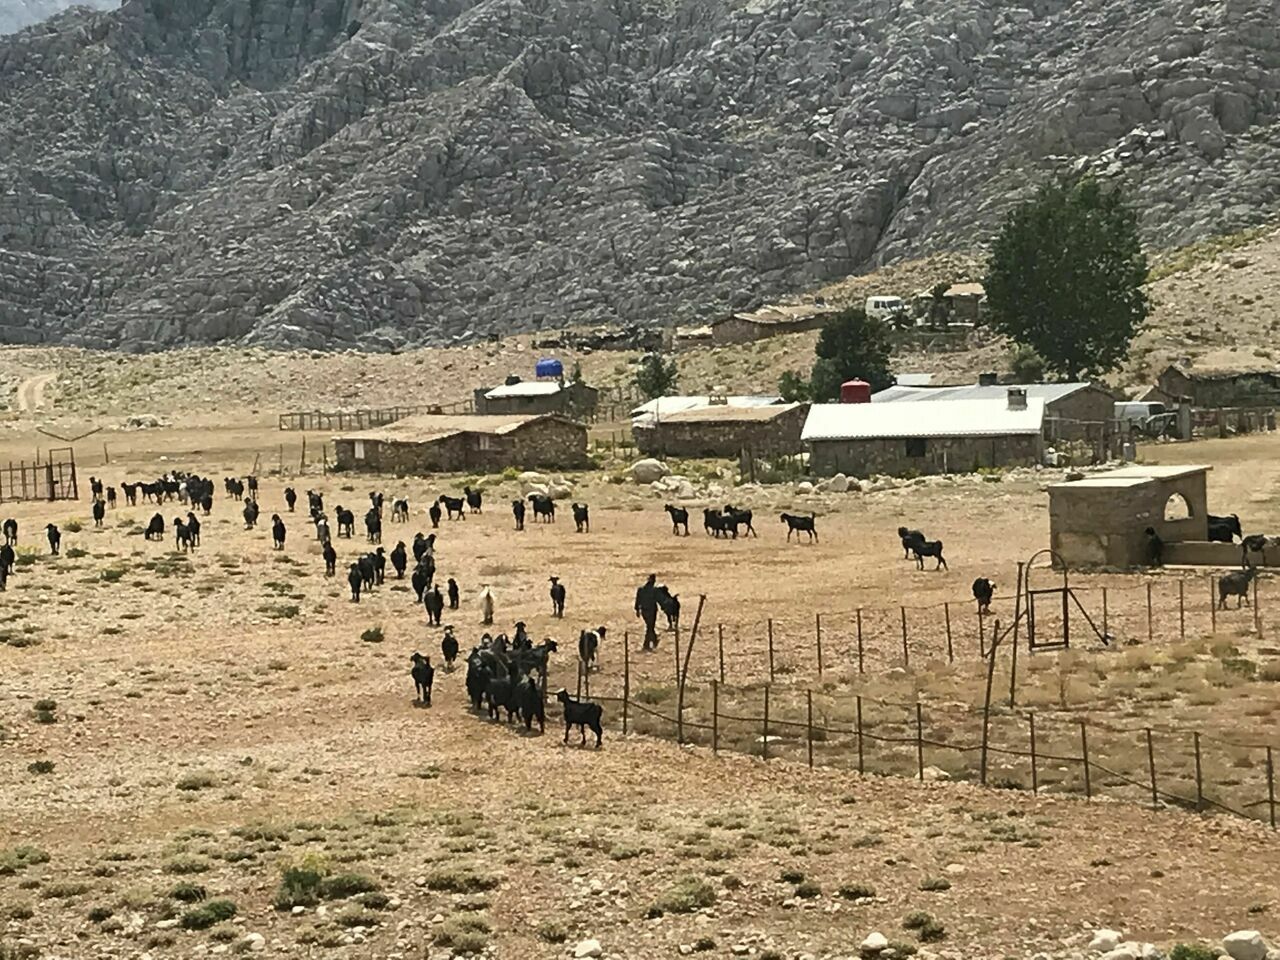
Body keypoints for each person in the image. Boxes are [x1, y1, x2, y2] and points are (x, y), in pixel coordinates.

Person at [635, 573, 660, 651]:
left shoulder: (641, 589)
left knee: (649, 627)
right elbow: (659, 600)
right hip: (651, 611)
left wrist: (637, 610)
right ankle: (650, 642)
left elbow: (637, 601)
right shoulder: (654, 590)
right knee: (650, 627)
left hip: (645, 611)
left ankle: (651, 641)